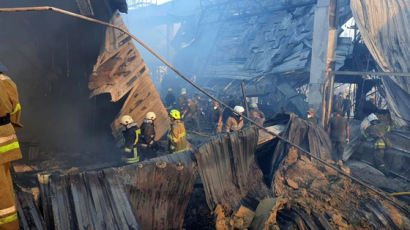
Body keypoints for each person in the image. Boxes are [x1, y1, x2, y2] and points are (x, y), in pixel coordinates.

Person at [0, 63, 23, 229]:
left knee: (2, 191)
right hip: (6, 138)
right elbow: (16, 110)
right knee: (5, 183)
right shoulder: (8, 82)